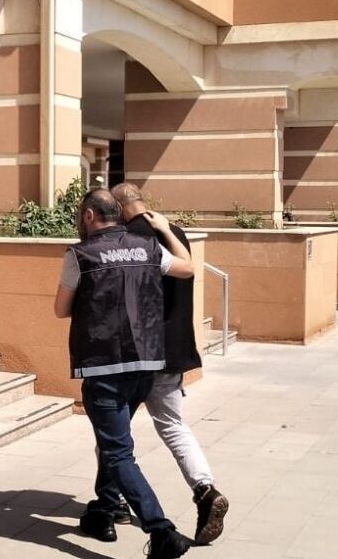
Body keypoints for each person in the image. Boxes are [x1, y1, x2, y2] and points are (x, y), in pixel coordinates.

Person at [53, 188, 195, 559]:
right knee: (113, 441)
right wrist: (165, 229)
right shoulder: (148, 247)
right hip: (146, 364)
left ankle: (161, 531)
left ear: (89, 215)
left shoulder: (80, 254)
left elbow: (61, 309)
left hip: (104, 366)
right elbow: (187, 267)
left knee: (117, 452)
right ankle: (103, 510)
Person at [110, 183, 229, 545]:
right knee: (174, 427)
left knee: (113, 436)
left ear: (119, 207)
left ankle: (114, 502)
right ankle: (205, 489)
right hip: (173, 352)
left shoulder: (127, 241)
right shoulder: (174, 232)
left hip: (138, 357)